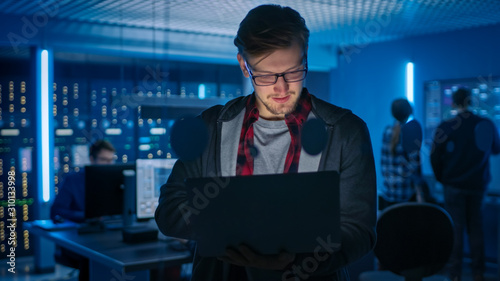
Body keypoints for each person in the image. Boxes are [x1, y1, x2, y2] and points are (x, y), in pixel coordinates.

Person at [155, 4, 376, 280]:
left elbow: (360, 230)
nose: (281, 89)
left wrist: (299, 259)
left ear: (305, 59)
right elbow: (168, 211)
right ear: (244, 66)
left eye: (294, 72)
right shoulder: (209, 128)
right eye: (266, 76)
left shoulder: (347, 132)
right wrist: (237, 226)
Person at [431, 88, 500, 281]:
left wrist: (442, 178)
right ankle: (478, 274)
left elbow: (434, 157)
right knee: (476, 228)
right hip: (478, 185)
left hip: (452, 185)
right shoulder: (485, 124)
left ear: (453, 103)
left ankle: (455, 275)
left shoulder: (446, 126)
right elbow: (496, 149)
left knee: (456, 229)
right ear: (472, 101)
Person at [50, 139, 116, 281]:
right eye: (105, 160)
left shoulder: (116, 180)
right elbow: (57, 211)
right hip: (79, 238)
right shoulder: (73, 181)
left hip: (108, 235)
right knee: (94, 257)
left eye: (111, 160)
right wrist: (86, 216)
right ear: (92, 159)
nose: (109, 165)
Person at [379, 98, 424, 210]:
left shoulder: (387, 131)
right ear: (409, 111)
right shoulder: (410, 132)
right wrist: (420, 194)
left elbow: (384, 163)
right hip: (406, 195)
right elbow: (414, 168)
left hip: (388, 193)